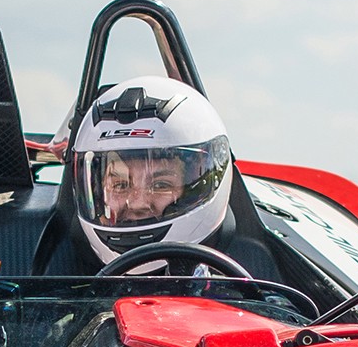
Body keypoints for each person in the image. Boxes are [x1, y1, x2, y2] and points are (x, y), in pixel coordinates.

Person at [64, 75, 233, 266]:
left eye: (160, 185)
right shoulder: (56, 271)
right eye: (120, 185)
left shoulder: (254, 275)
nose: (137, 204)